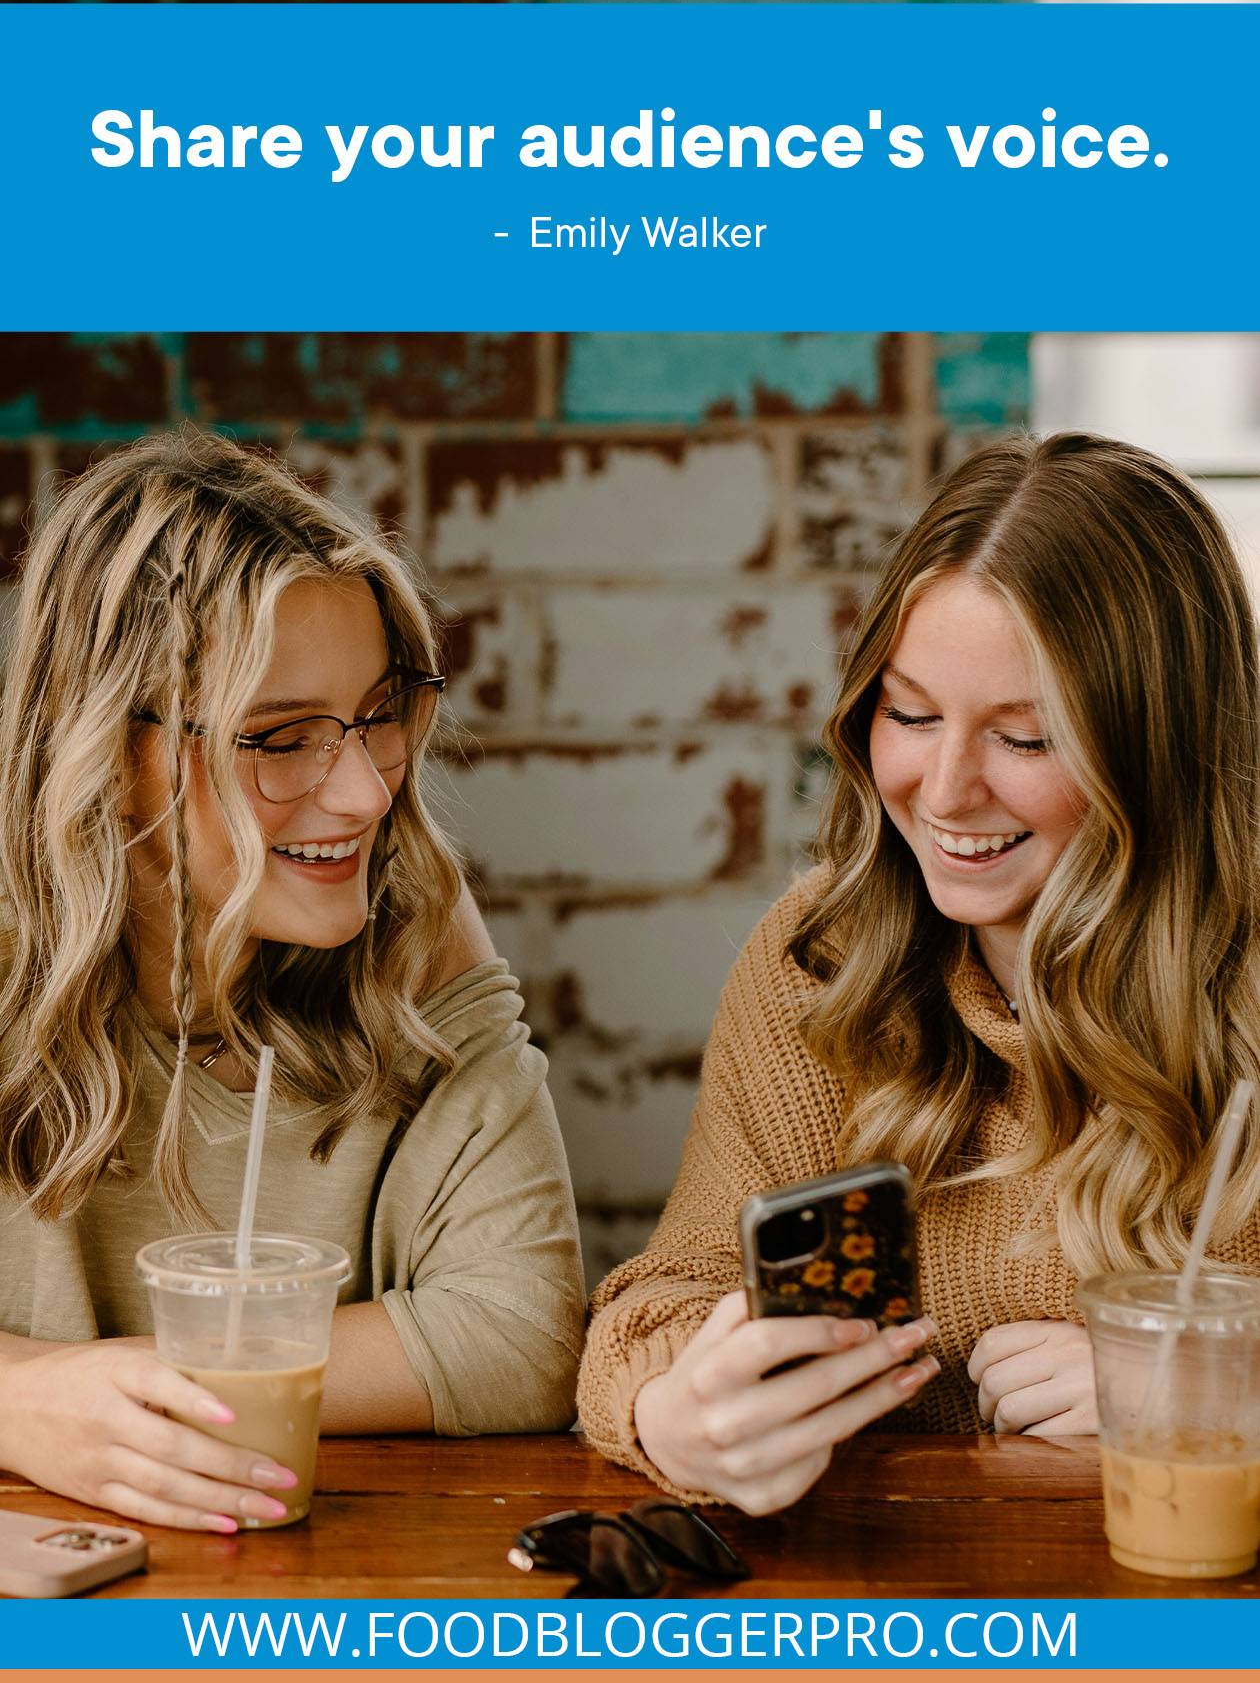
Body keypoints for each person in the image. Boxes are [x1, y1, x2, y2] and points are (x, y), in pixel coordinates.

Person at [577, 431, 1260, 1514]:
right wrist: (674, 1412)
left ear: (1157, 751)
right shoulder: (819, 962)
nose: (943, 792)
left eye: (1026, 739)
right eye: (911, 713)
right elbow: (666, 1296)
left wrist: (1220, 1383)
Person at [0, 429, 585, 1532]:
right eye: (281, 739)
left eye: (378, 715)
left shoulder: (414, 919)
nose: (365, 794)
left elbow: (523, 1334)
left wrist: (114, 1395)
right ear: (108, 758)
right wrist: (17, 1400)